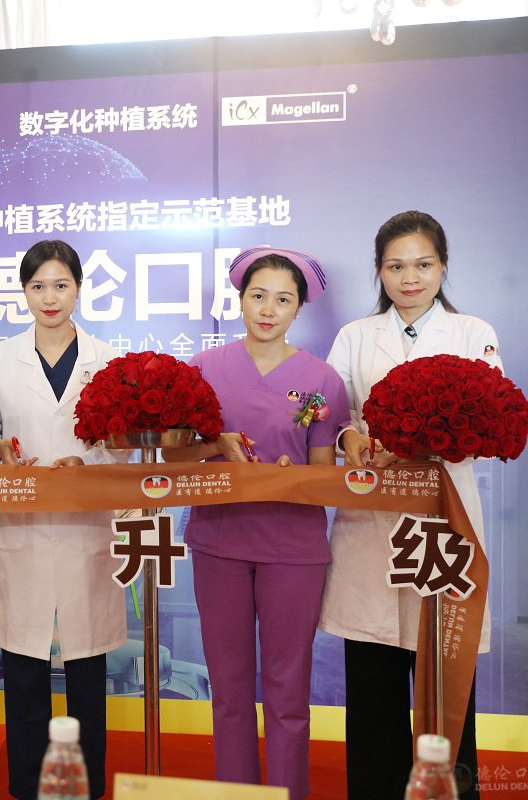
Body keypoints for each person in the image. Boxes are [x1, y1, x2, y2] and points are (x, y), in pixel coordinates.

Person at [160, 247, 347, 800]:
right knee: (230, 690)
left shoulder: (321, 380)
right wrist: (214, 445)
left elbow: (323, 474)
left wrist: (293, 478)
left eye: (283, 300)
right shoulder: (203, 369)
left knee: (289, 693)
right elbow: (173, 457)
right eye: (258, 296)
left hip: (294, 548)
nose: (268, 310)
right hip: (219, 541)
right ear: (240, 300)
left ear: (299, 309)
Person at [320, 210, 495, 800]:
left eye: (423, 264)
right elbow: (335, 415)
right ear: (379, 270)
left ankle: (451, 791)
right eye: (396, 266)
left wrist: (423, 440)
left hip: (444, 517)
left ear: (443, 266)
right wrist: (350, 438)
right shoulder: (355, 336)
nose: (410, 277)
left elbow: (488, 421)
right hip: (373, 516)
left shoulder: (472, 332)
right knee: (373, 680)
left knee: (447, 676)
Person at [0, 240, 126, 800]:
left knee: (87, 668)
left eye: (61, 285)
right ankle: (26, 785)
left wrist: (89, 461)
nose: (50, 297)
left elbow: (122, 442)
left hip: (86, 526)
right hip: (23, 523)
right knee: (24, 665)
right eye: (38, 286)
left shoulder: (106, 359)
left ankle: (87, 784)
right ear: (24, 292)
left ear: (79, 288)